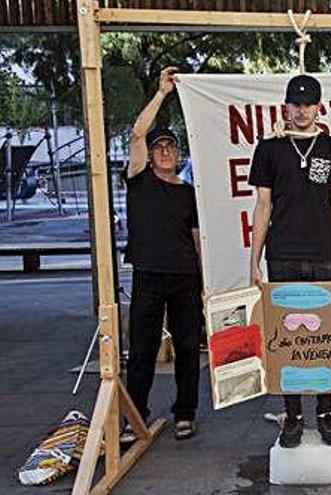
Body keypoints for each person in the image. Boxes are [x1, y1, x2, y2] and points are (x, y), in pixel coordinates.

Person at [248, 74, 331, 448]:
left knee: (325, 337)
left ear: (319, 107)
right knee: (286, 338)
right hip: (283, 257)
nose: (301, 110)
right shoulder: (269, 150)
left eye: (308, 104)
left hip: (325, 256)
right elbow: (263, 207)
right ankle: (292, 415)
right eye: (295, 103)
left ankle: (325, 413)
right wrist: (254, 261)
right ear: (285, 106)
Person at [123, 66, 202, 441]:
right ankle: (134, 416)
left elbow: (196, 235)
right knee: (142, 350)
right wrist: (161, 94)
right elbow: (138, 132)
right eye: (159, 147)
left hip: (185, 277)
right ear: (150, 155)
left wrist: (206, 280)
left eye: (171, 146)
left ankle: (185, 413)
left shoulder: (188, 191)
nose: (166, 151)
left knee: (188, 347)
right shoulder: (139, 181)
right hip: (149, 275)